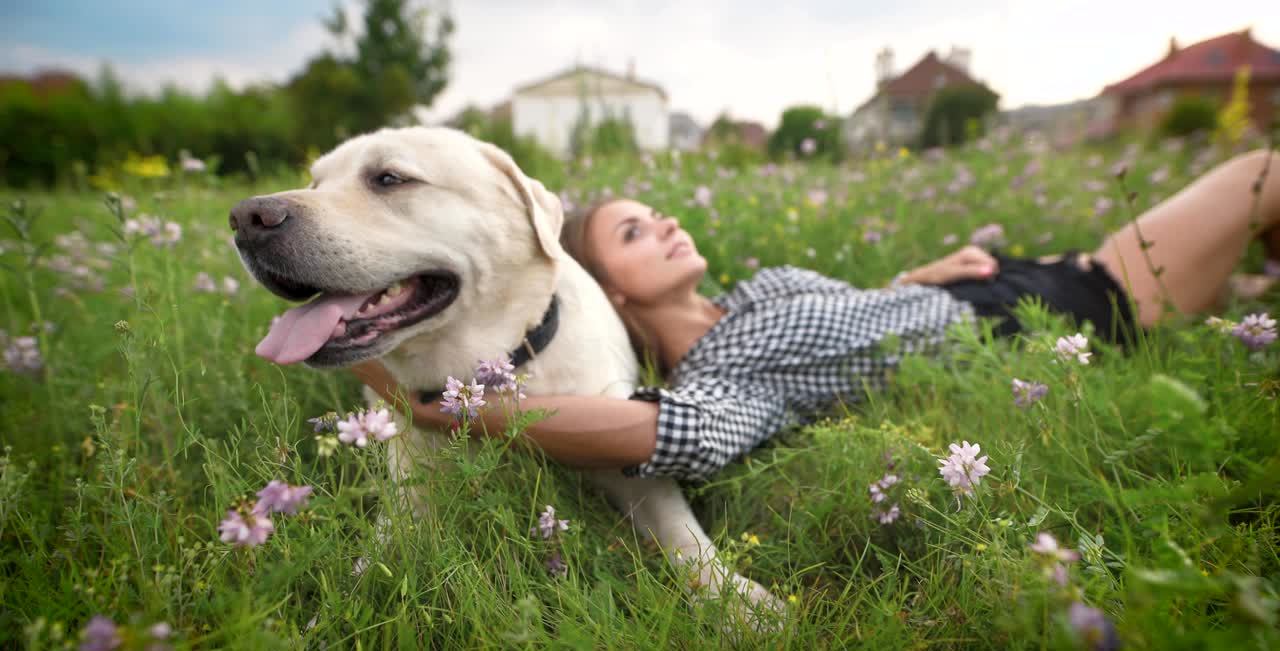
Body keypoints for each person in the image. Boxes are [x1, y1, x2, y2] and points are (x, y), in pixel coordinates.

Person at [351, 149, 1279, 484]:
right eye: (636, 229)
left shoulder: (751, 295)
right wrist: (451, 408)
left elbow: (852, 312)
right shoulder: (721, 374)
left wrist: (918, 274)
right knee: (1257, 177)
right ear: (614, 290)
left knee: (1251, 257)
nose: (666, 221)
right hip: (1075, 309)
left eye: (659, 212)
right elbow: (663, 432)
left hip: (1010, 281)